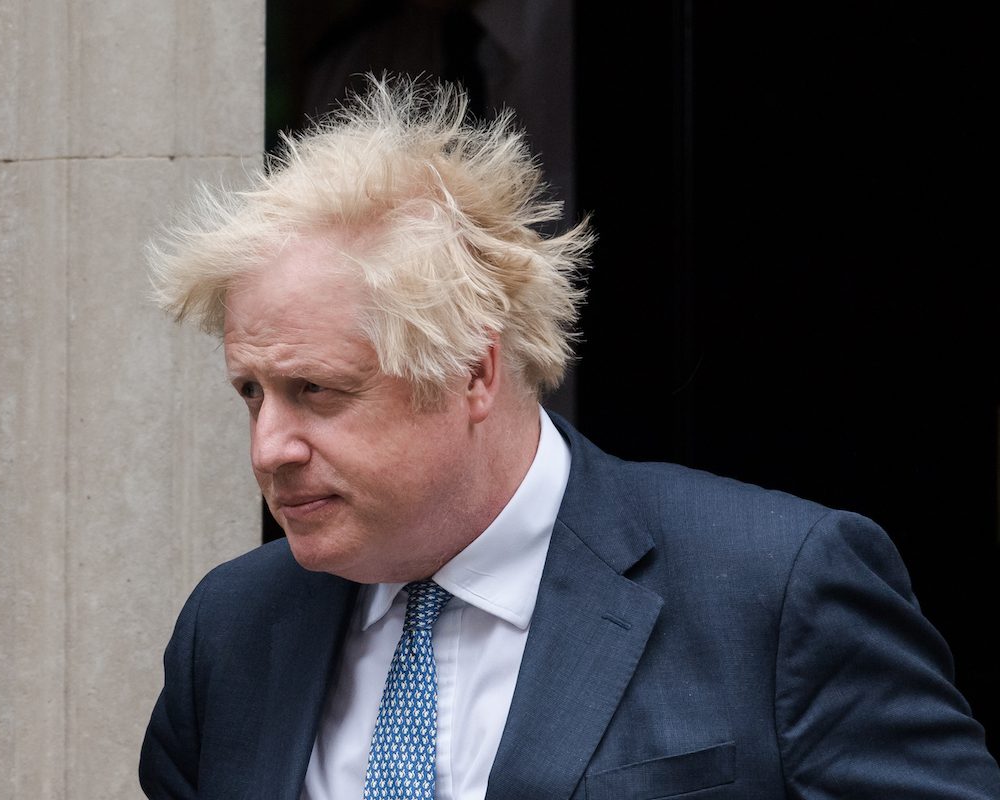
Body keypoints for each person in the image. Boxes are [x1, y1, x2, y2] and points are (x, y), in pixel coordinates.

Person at [139, 77, 999, 799]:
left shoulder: (776, 592)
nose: (268, 447)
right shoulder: (234, 628)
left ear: (473, 373)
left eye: (317, 392)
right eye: (252, 393)